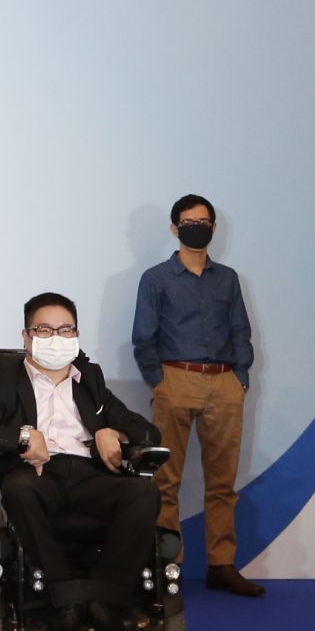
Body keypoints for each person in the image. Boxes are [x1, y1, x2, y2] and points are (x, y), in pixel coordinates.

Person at [0, 291, 162, 631]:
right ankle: (64, 599)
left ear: (76, 336)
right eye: (45, 330)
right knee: (19, 490)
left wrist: (114, 434)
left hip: (89, 474)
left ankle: (106, 599)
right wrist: (22, 438)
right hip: (35, 474)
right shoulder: (4, 380)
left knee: (144, 494)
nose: (57, 338)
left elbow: (149, 434)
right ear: (26, 336)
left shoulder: (89, 379)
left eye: (66, 330)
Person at [132, 193, 261, 597]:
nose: (197, 226)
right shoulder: (155, 278)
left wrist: (240, 376)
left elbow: (241, 329)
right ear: (175, 228)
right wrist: (159, 381)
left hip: (224, 382)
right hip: (175, 379)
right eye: (188, 221)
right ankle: (169, 567)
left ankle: (222, 565)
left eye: (203, 220)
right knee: (165, 481)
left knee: (223, 483)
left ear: (214, 228)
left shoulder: (228, 278)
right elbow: (143, 338)